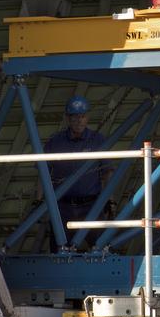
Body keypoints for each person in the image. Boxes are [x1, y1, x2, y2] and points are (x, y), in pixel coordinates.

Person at [42, 96, 111, 247]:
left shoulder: (98, 140)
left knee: (100, 250)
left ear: (88, 117)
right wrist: (45, 199)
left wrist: (105, 199)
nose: (79, 121)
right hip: (63, 207)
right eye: (75, 117)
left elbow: (107, 173)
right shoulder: (55, 142)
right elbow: (43, 173)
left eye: (83, 116)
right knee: (60, 251)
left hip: (91, 206)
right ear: (68, 118)